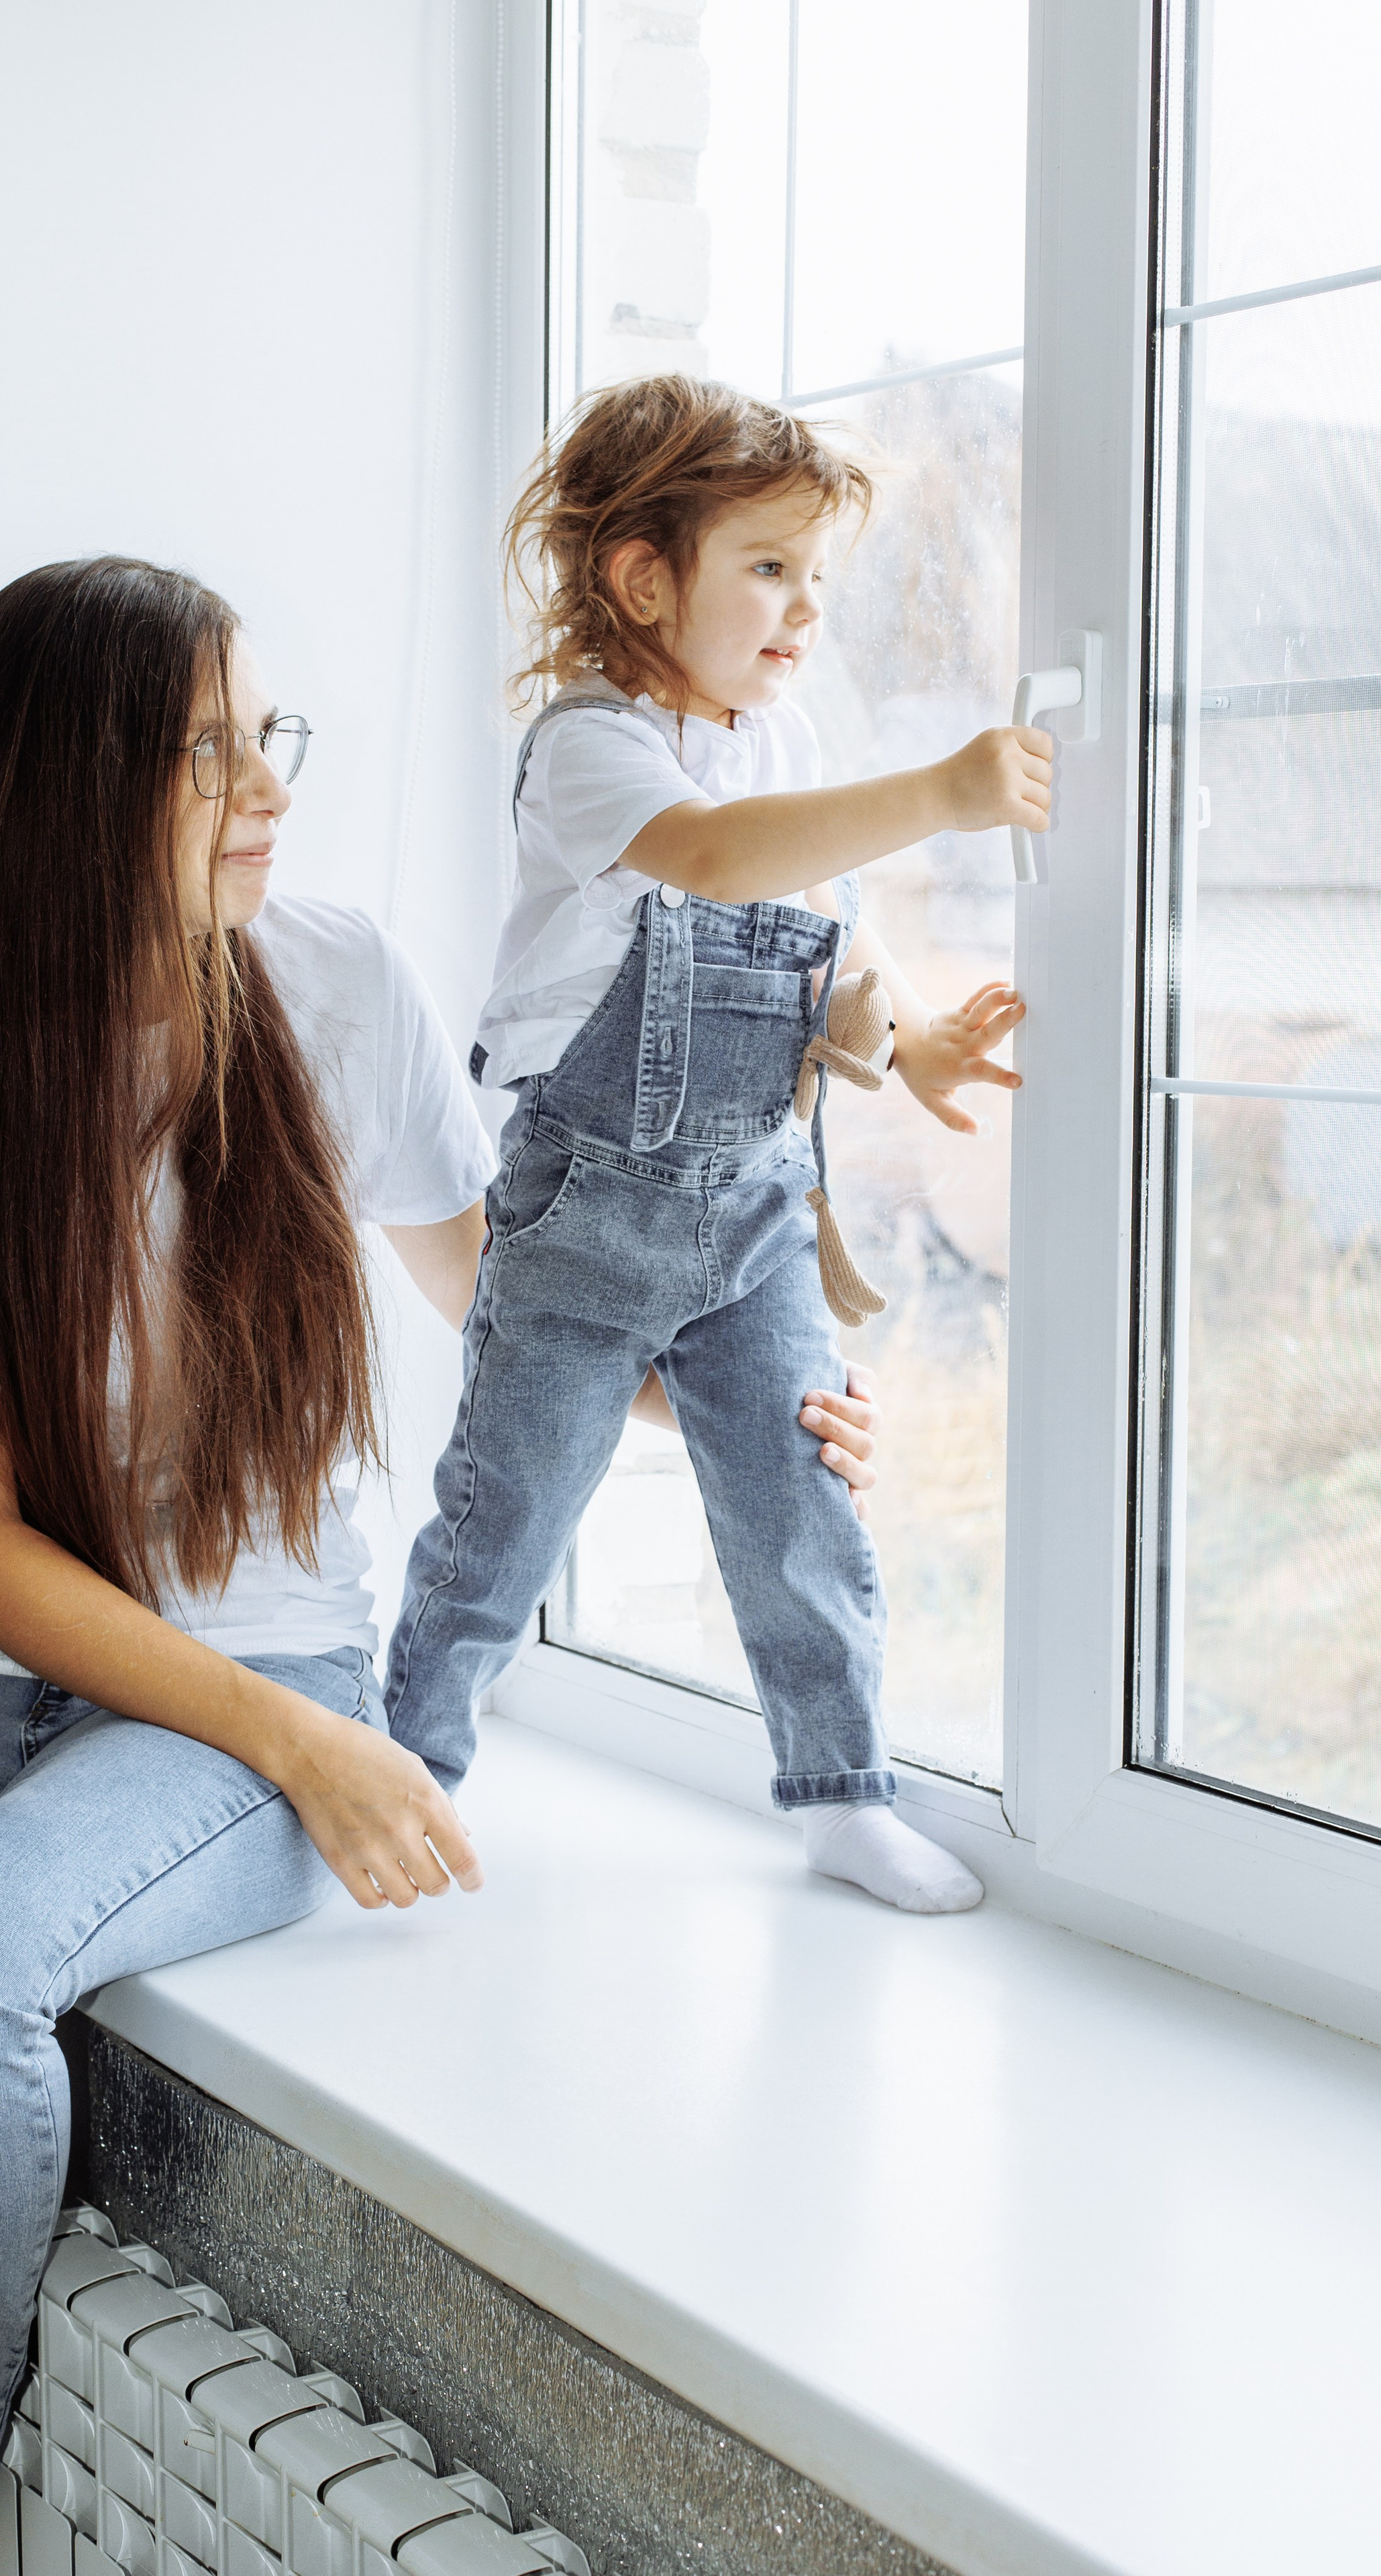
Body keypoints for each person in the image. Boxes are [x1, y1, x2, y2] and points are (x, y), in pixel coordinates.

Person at [0, 557, 512, 2575]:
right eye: (211, 745)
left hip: (260, 1677)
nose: (267, 784)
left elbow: (495, 1289)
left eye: (264, 733)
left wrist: (746, 1386)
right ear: (70, 788)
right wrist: (298, 1754)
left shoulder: (331, 982)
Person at [385, 374, 1050, 1916]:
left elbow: (817, 946)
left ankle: (840, 1789)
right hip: (583, 1205)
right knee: (509, 1512)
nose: (804, 610)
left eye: (818, 580)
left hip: (754, 1205)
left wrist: (905, 1041)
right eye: (768, 568)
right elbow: (715, 860)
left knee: (797, 1498)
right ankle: (409, 1763)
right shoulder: (590, 752)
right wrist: (941, 794)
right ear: (640, 579)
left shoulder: (781, 739)